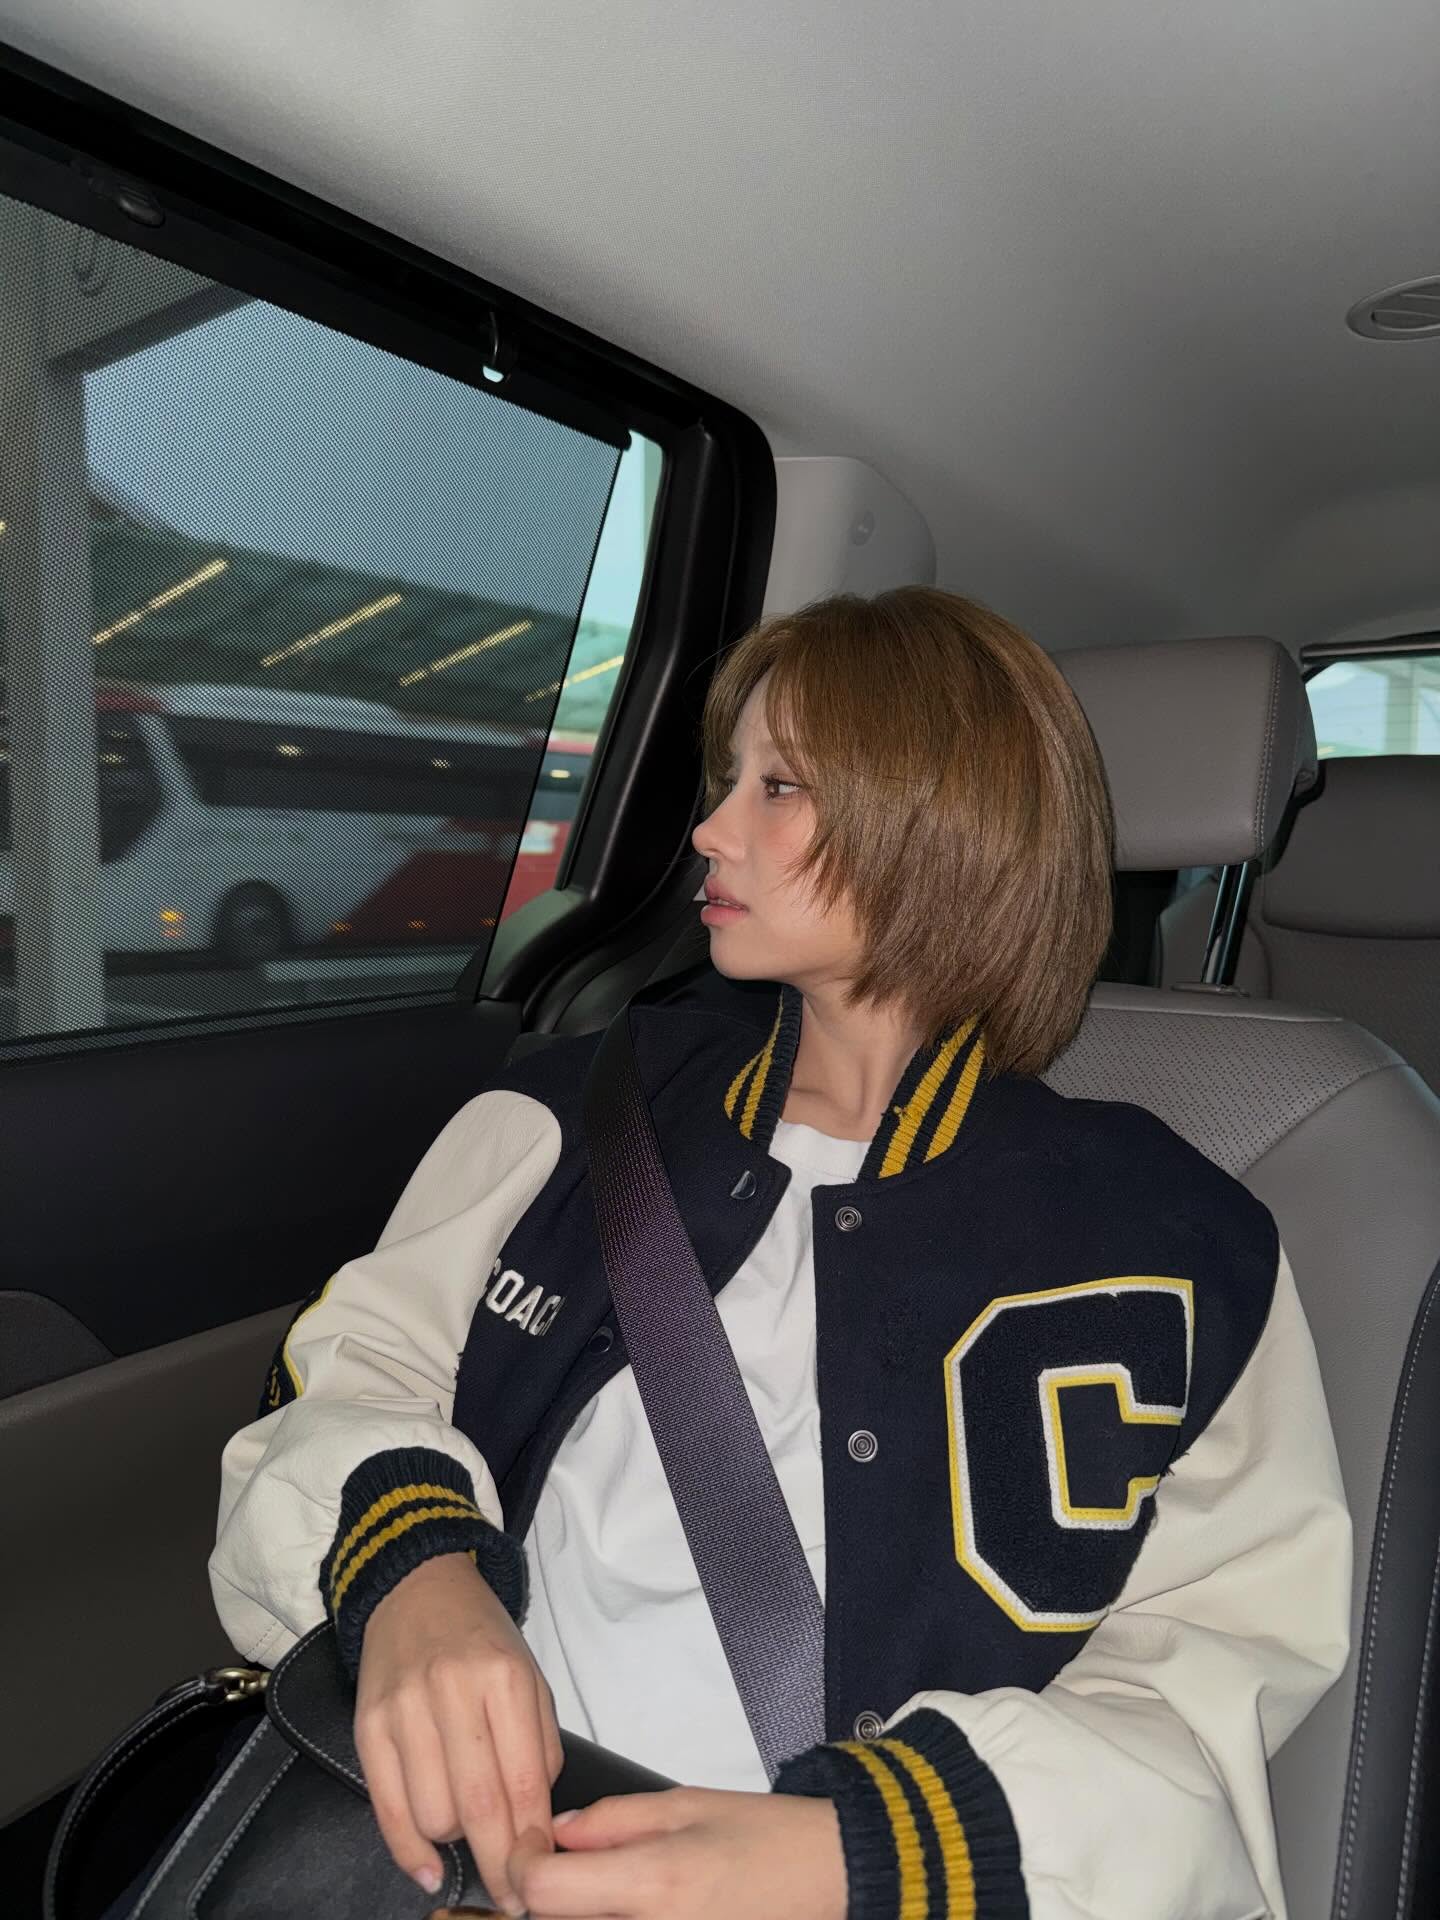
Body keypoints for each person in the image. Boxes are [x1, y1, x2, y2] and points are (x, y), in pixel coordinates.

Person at [210, 586, 1352, 1920]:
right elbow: (352, 1361)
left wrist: (866, 1850)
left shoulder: (1176, 1239)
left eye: (780, 787)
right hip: (429, 1862)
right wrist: (413, 1565)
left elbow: (1211, 1671)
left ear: (939, 823)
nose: (709, 829)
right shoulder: (570, 1111)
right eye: (727, 779)